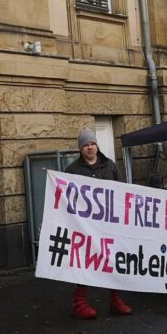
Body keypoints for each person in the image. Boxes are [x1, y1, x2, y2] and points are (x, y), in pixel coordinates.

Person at [65, 128, 133, 318]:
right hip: (84, 226)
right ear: (80, 148)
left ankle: (116, 300)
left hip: (108, 225)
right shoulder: (73, 170)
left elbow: (121, 192)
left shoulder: (110, 166)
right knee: (84, 261)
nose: (90, 148)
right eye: (86, 145)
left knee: (111, 261)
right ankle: (80, 303)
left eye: (92, 144)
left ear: (97, 145)